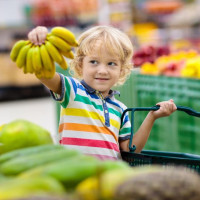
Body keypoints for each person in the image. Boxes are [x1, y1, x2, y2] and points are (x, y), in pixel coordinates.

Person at [27, 25, 177, 160]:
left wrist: (152, 117)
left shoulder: (120, 110)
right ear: (80, 65)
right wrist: (39, 43)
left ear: (121, 70)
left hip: (107, 179)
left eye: (111, 63)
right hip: (75, 177)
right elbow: (43, 73)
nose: (103, 70)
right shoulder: (72, 90)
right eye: (94, 62)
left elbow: (131, 151)